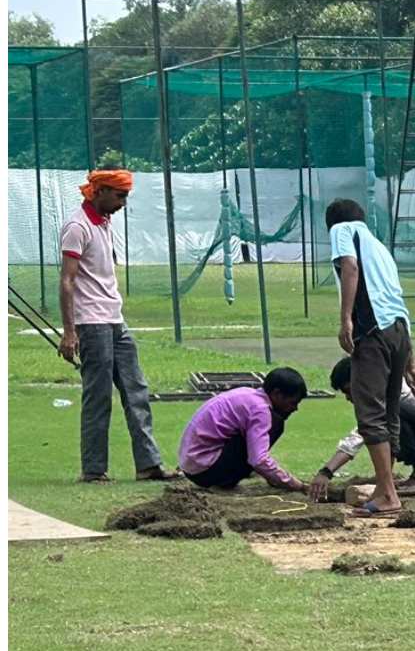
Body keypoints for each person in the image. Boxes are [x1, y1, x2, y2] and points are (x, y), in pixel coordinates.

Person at [59, 169, 177, 484]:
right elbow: (67, 281)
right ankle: (94, 470)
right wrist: (70, 332)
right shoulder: (76, 226)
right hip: (91, 323)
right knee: (97, 397)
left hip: (115, 319)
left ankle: (149, 466)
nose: (123, 203)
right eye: (120, 196)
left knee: (136, 390)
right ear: (99, 191)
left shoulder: (105, 221)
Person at [325, 197, 415, 516]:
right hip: (399, 331)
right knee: (389, 413)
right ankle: (384, 487)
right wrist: (410, 361)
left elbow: (350, 267)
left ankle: (388, 494)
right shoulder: (379, 246)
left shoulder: (342, 229)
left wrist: (346, 319)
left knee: (370, 413)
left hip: (373, 332)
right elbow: (395, 297)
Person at [319, 357, 415, 494]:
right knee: (386, 420)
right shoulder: (382, 391)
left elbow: (363, 433)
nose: (348, 397)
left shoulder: (396, 390)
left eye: (349, 390)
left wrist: (327, 471)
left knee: (391, 413)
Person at [177, 367, 315, 495]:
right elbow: (258, 460)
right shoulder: (261, 410)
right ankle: (224, 481)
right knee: (276, 423)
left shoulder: (248, 393)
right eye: (292, 403)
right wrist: (299, 486)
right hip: (204, 470)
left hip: (191, 464)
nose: (295, 409)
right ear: (277, 394)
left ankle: (263, 474)